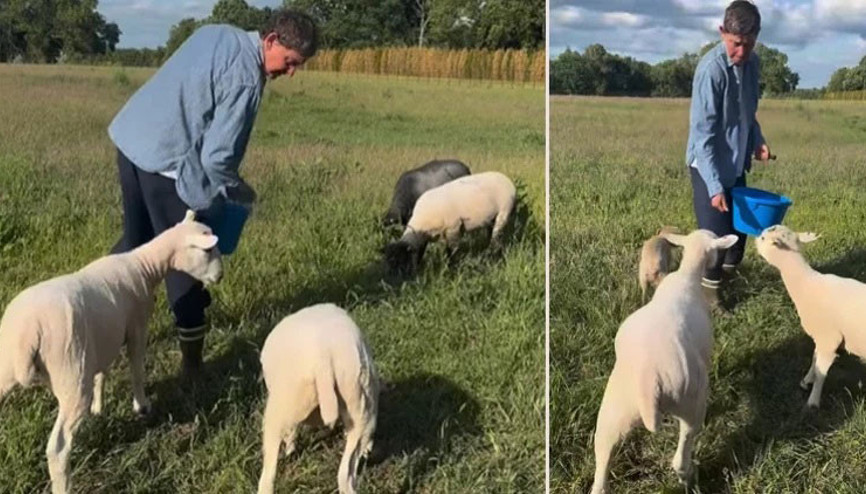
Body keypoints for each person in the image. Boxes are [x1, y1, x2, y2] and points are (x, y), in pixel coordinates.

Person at [107, 10, 318, 377]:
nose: (291, 72)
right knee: (183, 260)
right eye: (290, 62)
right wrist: (237, 191)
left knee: (136, 242)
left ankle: (93, 310)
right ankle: (192, 369)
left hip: (131, 141)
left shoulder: (218, 33)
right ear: (270, 41)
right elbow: (218, 158)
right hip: (164, 164)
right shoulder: (247, 79)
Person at [685, 0, 772, 310]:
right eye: (736, 44)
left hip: (735, 164)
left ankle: (726, 285)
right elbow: (703, 136)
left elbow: (748, 113)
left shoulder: (754, 64)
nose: (741, 52)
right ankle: (709, 303)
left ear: (756, 37)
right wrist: (714, 186)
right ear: (723, 33)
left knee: (739, 238)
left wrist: (757, 140)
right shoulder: (711, 71)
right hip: (708, 165)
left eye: (748, 45)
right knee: (716, 240)